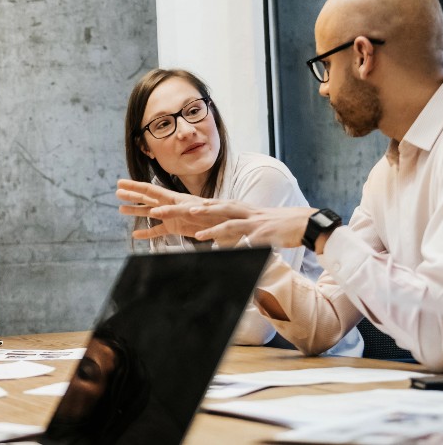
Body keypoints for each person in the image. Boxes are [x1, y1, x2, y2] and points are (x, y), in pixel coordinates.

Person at [118, 0, 443, 381]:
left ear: (362, 55)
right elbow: (321, 327)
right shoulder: (387, 176)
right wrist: (235, 236)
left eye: (325, 66)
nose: (323, 89)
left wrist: (319, 231)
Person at [123, 68, 362, 356]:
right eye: (163, 125)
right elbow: (156, 314)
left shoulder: (263, 178)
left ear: (212, 111)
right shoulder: (160, 197)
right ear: (144, 147)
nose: (187, 130)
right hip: (234, 365)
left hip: (319, 366)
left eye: (194, 110)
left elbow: (256, 327)